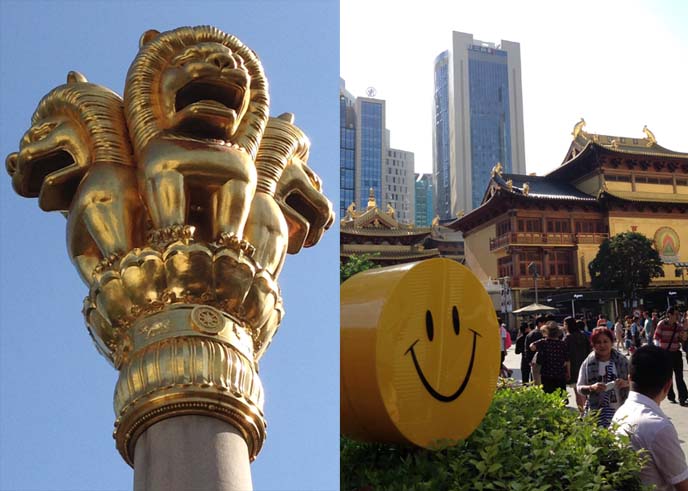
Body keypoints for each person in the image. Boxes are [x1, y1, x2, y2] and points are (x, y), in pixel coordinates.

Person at [612, 345, 688, 490]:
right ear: (667, 386)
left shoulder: (620, 413)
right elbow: (683, 485)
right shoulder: (658, 427)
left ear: (629, 379)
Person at [576, 327, 630, 427]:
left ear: (612, 342)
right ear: (593, 344)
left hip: (622, 411)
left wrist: (626, 383)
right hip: (596, 414)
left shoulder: (623, 361)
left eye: (605, 341)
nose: (602, 345)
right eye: (598, 342)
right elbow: (579, 388)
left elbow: (636, 383)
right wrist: (591, 388)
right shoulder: (587, 363)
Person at [653, 307, 688, 406]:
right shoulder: (662, 324)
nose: (677, 316)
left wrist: (685, 329)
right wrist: (659, 351)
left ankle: (683, 397)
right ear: (669, 315)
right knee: (668, 376)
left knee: (679, 376)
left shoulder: (678, 326)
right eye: (675, 314)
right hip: (665, 353)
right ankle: (670, 395)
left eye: (678, 314)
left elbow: (683, 339)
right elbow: (656, 338)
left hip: (676, 353)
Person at [530, 321, 570, 395]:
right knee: (560, 398)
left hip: (546, 374)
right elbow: (567, 360)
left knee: (548, 396)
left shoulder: (543, 342)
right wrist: (568, 373)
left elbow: (532, 346)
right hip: (560, 373)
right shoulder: (562, 344)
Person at [564, 318, 591, 413]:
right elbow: (590, 351)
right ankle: (589, 410)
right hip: (586, 366)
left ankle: (582, 412)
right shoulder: (583, 336)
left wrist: (567, 371)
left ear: (567, 325)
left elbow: (566, 357)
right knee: (587, 391)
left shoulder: (567, 338)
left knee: (578, 392)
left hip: (573, 368)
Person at [525, 316, 546, 384]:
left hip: (533, 362)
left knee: (536, 383)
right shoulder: (542, 334)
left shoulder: (529, 334)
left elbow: (526, 349)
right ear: (540, 323)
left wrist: (529, 361)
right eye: (544, 323)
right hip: (542, 362)